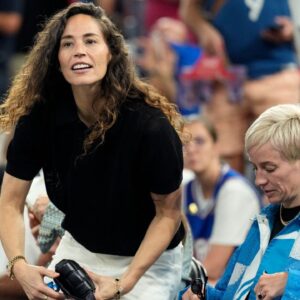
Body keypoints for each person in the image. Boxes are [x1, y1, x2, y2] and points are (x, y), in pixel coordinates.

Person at [0, 2, 186, 300]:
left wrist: (124, 282)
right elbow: (9, 201)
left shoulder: (150, 126)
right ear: (56, 59)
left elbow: (168, 215)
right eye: (67, 43)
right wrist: (18, 266)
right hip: (80, 248)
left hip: (146, 261)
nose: (79, 50)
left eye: (90, 41)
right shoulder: (40, 118)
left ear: (111, 53)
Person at [181, 103, 300, 300]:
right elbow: (228, 293)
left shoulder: (239, 196)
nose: (259, 180)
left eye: (269, 168)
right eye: (255, 168)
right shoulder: (261, 223)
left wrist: (292, 283)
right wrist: (201, 296)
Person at [179, 0, 300, 172]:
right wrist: (204, 30)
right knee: (223, 157)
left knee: (287, 150)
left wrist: (292, 27)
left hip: (277, 73)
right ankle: (231, 196)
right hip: (227, 77)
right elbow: (188, 8)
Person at [183, 116, 260, 283]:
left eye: (199, 141)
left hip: (235, 286)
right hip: (202, 281)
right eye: (184, 143)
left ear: (216, 146)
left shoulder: (235, 190)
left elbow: (214, 268)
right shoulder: (186, 188)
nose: (191, 149)